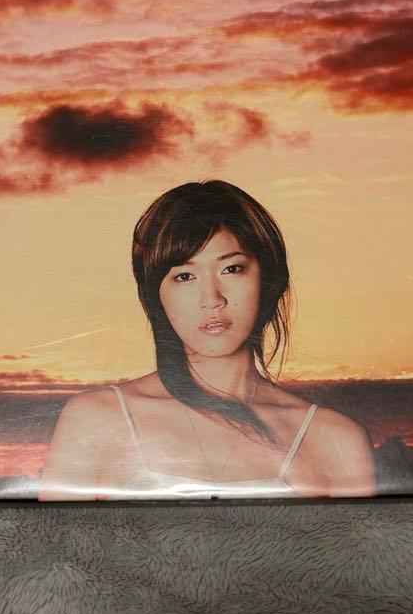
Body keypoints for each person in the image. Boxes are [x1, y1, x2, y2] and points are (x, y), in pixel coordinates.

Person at [40, 179, 377, 500]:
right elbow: (50, 542)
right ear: (157, 295)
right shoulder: (96, 419)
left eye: (232, 269)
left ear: (269, 278)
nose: (212, 299)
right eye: (185, 276)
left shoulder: (336, 440)